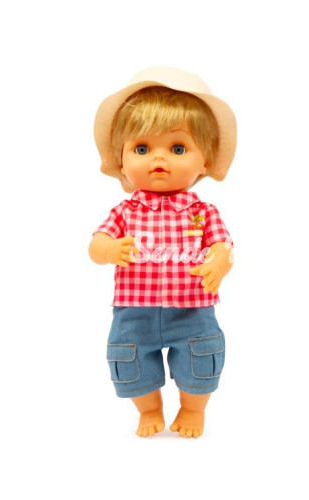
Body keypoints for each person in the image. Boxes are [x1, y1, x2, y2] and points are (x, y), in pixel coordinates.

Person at [89, 67, 236, 438]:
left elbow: (223, 246)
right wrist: (109, 249)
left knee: (200, 362)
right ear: (121, 161)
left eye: (177, 148)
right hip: (134, 310)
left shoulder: (202, 212)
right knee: (132, 362)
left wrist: (218, 264)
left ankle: (192, 409)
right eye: (142, 149)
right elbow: (95, 245)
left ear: (205, 160)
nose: (159, 159)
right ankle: (150, 408)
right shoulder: (125, 212)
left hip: (192, 309)